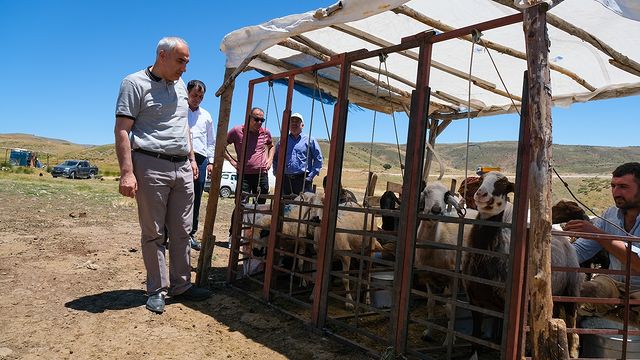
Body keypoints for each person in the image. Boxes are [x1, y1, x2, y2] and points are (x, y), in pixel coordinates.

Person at [115, 36, 211, 314]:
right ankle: (157, 289)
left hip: (183, 166)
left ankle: (182, 285)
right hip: (150, 164)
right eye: (181, 61)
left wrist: (192, 159)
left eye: (187, 62)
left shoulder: (181, 86)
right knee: (154, 232)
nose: (185, 68)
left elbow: (183, 127)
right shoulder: (134, 84)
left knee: (183, 229)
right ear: (162, 56)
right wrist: (127, 173)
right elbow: (122, 129)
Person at [567, 162, 640, 320]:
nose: (616, 192)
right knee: (577, 294)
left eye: (623, 187)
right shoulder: (609, 215)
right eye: (613, 186)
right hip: (613, 283)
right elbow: (580, 251)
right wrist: (556, 251)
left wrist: (597, 234)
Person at [225, 107, 274, 241]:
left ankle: (254, 236)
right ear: (249, 118)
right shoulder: (236, 131)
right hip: (245, 175)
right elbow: (222, 144)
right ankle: (233, 235)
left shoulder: (266, 133)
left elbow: (271, 146)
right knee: (241, 205)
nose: (259, 122)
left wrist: (269, 160)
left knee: (260, 206)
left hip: (261, 175)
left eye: (261, 120)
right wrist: (232, 161)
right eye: (256, 119)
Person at [185, 79, 215, 251]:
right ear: (188, 94)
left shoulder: (207, 116)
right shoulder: (179, 111)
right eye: (194, 95)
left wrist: (210, 162)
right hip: (182, 156)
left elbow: (211, 141)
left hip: (202, 159)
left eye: (201, 96)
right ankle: (169, 233)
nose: (197, 99)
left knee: (196, 197)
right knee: (178, 196)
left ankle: (191, 234)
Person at [272, 112, 323, 195]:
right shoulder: (282, 141)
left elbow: (318, 159)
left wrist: (310, 176)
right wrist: (276, 173)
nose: (294, 123)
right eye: (292, 121)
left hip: (303, 179)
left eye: (297, 122)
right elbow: (276, 159)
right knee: (285, 205)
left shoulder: (310, 140)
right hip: (285, 180)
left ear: (302, 125)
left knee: (303, 205)